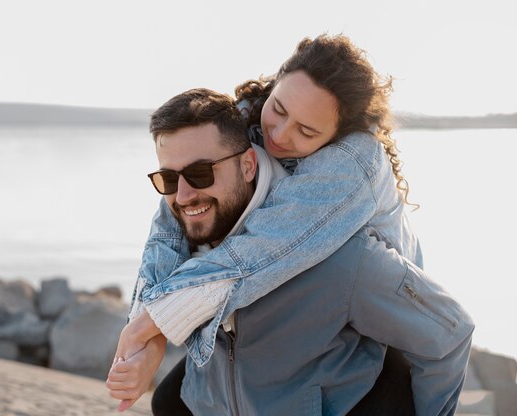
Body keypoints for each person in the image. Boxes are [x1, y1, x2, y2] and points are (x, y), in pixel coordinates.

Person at [106, 88, 474, 415]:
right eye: (169, 180)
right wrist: (147, 338)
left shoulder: (343, 258)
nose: (184, 196)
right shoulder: (187, 234)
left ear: (248, 164)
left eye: (202, 174)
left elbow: (450, 333)